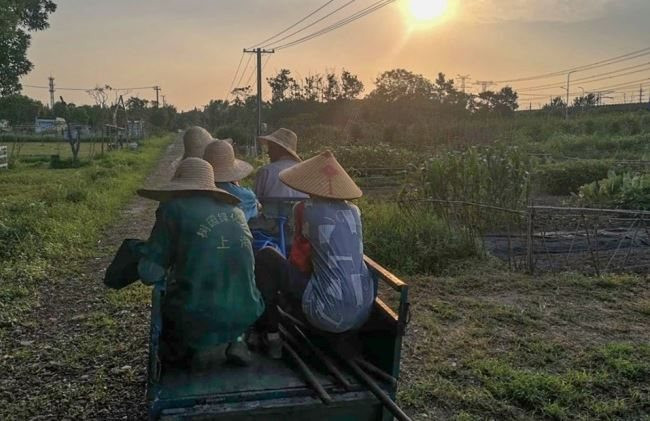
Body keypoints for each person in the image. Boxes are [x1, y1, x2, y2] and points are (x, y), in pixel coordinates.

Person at [136, 157, 264, 366]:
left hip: (198, 314)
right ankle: (238, 339)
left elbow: (150, 274)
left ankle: (188, 347)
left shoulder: (173, 209)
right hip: (248, 308)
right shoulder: (236, 211)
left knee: (167, 295)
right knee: (232, 289)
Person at [254, 150, 375, 358]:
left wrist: (288, 291)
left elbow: (299, 260)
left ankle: (272, 336)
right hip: (362, 313)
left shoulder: (304, 208)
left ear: (309, 185)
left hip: (325, 312)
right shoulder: (354, 211)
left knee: (266, 256)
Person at [203, 138, 259, 221]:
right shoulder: (243, 195)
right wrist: (236, 186)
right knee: (252, 205)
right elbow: (251, 198)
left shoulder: (198, 189)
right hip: (235, 228)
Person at [254, 128, 308, 200]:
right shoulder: (307, 172)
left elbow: (255, 200)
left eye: (271, 148)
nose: (268, 152)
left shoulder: (266, 171)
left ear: (279, 149)